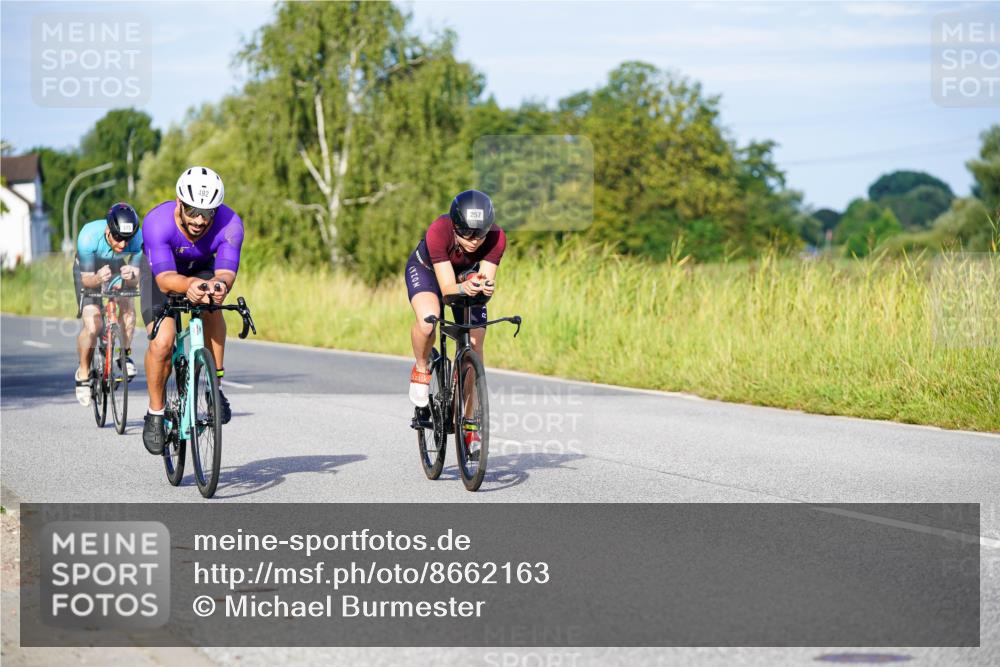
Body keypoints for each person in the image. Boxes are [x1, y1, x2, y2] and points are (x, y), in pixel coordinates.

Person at [140, 166, 244, 455]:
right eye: (192, 211)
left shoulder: (231, 224)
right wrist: (189, 284)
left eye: (207, 213)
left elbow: (225, 272)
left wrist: (219, 285)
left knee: (213, 303)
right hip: (162, 273)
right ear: (179, 203)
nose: (200, 220)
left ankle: (215, 387)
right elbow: (163, 280)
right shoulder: (157, 223)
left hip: (201, 269)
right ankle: (156, 413)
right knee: (163, 342)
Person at [405, 189, 506, 454]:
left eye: (480, 234)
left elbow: (485, 279)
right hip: (428, 273)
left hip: (463, 278)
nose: (474, 241)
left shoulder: (496, 237)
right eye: (467, 234)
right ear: (455, 226)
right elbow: (447, 287)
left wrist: (483, 286)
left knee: (475, 342)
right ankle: (422, 366)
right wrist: (464, 287)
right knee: (428, 321)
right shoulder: (439, 230)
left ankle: (469, 421)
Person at [73, 203, 143, 406]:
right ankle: (83, 373)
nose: (122, 244)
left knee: (128, 307)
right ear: (108, 230)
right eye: (118, 238)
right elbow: (86, 280)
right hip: (88, 270)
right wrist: (97, 279)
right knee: (93, 325)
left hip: (115, 267)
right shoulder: (88, 236)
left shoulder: (137, 240)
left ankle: (124, 356)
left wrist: (131, 275)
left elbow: (134, 280)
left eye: (126, 239)